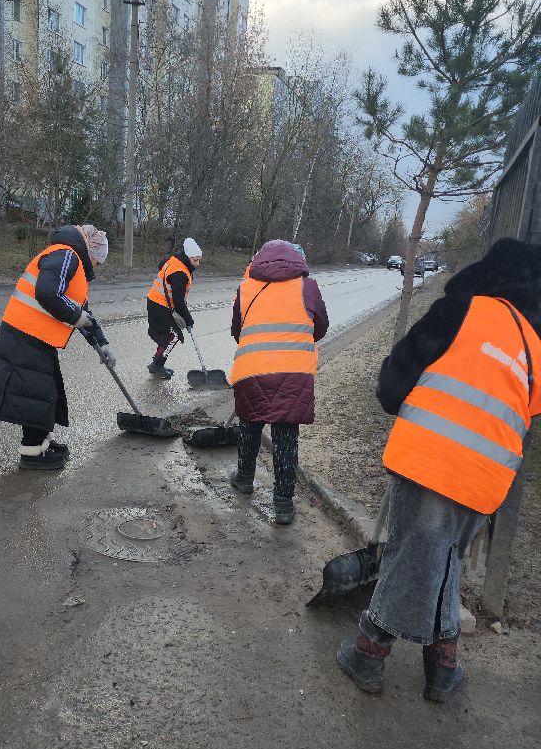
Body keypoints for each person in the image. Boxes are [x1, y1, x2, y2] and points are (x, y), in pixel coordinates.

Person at [337, 237, 541, 702]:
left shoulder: (460, 311)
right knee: (445, 560)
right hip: (488, 481)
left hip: (431, 462)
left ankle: (369, 652)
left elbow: (392, 385)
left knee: (409, 557)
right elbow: (528, 412)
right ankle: (442, 669)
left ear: (489, 273)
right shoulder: (534, 345)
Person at [0, 223, 116, 471]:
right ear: (91, 253)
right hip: (24, 334)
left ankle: (42, 443)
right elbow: (47, 293)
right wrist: (75, 316)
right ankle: (32, 453)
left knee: (46, 392)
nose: (98, 267)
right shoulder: (66, 255)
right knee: (36, 394)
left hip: (36, 336)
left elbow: (82, 310)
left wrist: (102, 343)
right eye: (99, 261)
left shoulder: (72, 263)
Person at [229, 240, 329, 524]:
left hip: (253, 368)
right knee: (286, 437)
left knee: (249, 425)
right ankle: (283, 504)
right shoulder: (308, 287)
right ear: (297, 261)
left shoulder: (246, 286)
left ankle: (245, 478)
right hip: (294, 370)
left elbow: (237, 329)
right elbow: (320, 325)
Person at [146, 238, 202, 379]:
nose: (197, 264)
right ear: (188, 257)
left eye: (199, 260)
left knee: (168, 335)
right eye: (195, 260)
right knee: (174, 335)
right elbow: (178, 302)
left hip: (157, 302)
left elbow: (162, 265)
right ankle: (157, 365)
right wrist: (189, 320)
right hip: (160, 305)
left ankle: (157, 362)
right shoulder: (180, 273)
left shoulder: (176, 260)